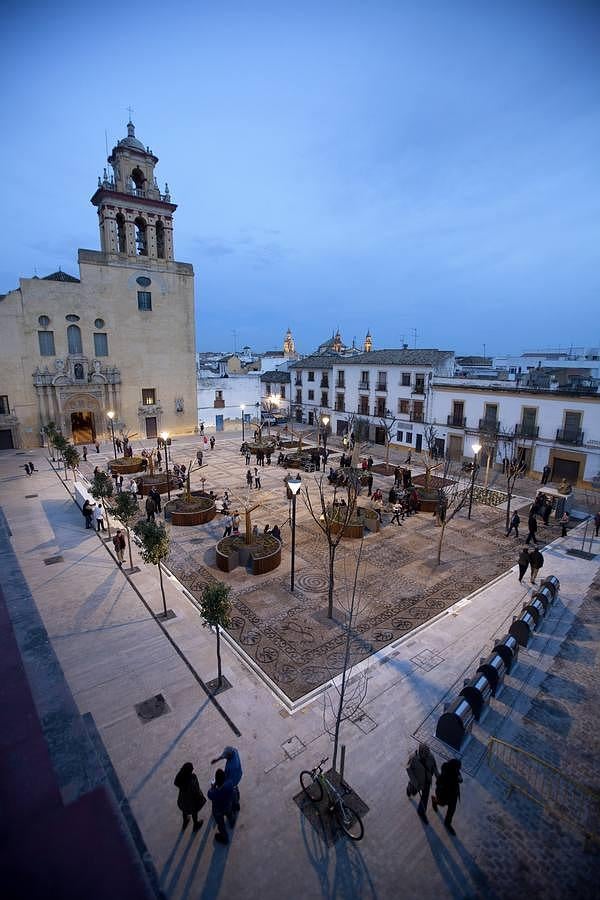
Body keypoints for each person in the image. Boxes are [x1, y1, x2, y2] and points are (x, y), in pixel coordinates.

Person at [406, 743, 438, 824]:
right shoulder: (413, 758)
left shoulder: (430, 756)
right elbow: (409, 770)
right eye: (426, 753)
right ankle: (409, 789)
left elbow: (434, 767)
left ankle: (421, 812)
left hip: (427, 782)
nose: (428, 755)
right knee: (412, 791)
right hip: (416, 783)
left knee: (425, 798)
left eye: (428, 752)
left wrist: (439, 777)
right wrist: (415, 783)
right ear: (420, 752)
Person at [432, 758, 462, 835]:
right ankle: (434, 800)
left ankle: (447, 823)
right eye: (458, 768)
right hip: (444, 794)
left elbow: (460, 779)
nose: (458, 770)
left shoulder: (455, 771)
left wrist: (459, 778)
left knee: (451, 810)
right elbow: (440, 782)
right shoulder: (446, 771)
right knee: (442, 804)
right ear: (454, 767)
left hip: (453, 795)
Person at [174, 762, 205, 833]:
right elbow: (196, 789)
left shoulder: (180, 776)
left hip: (182, 799)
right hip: (192, 800)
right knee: (194, 812)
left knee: (184, 810)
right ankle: (196, 824)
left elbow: (176, 782)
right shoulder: (192, 778)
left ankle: (185, 821)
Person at [211, 747, 243, 812]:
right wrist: (217, 759)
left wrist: (216, 783)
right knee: (235, 790)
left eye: (226, 757)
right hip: (237, 774)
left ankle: (236, 804)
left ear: (229, 756)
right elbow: (224, 755)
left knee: (233, 792)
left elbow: (226, 777)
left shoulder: (231, 767)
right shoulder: (234, 751)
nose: (224, 757)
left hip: (233, 779)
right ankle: (237, 799)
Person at [208, 768, 235, 844]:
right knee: (229, 814)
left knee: (221, 825)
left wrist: (212, 787)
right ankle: (232, 822)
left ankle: (225, 838)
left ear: (216, 781)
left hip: (218, 811)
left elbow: (209, 794)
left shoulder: (214, 793)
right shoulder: (230, 783)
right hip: (228, 805)